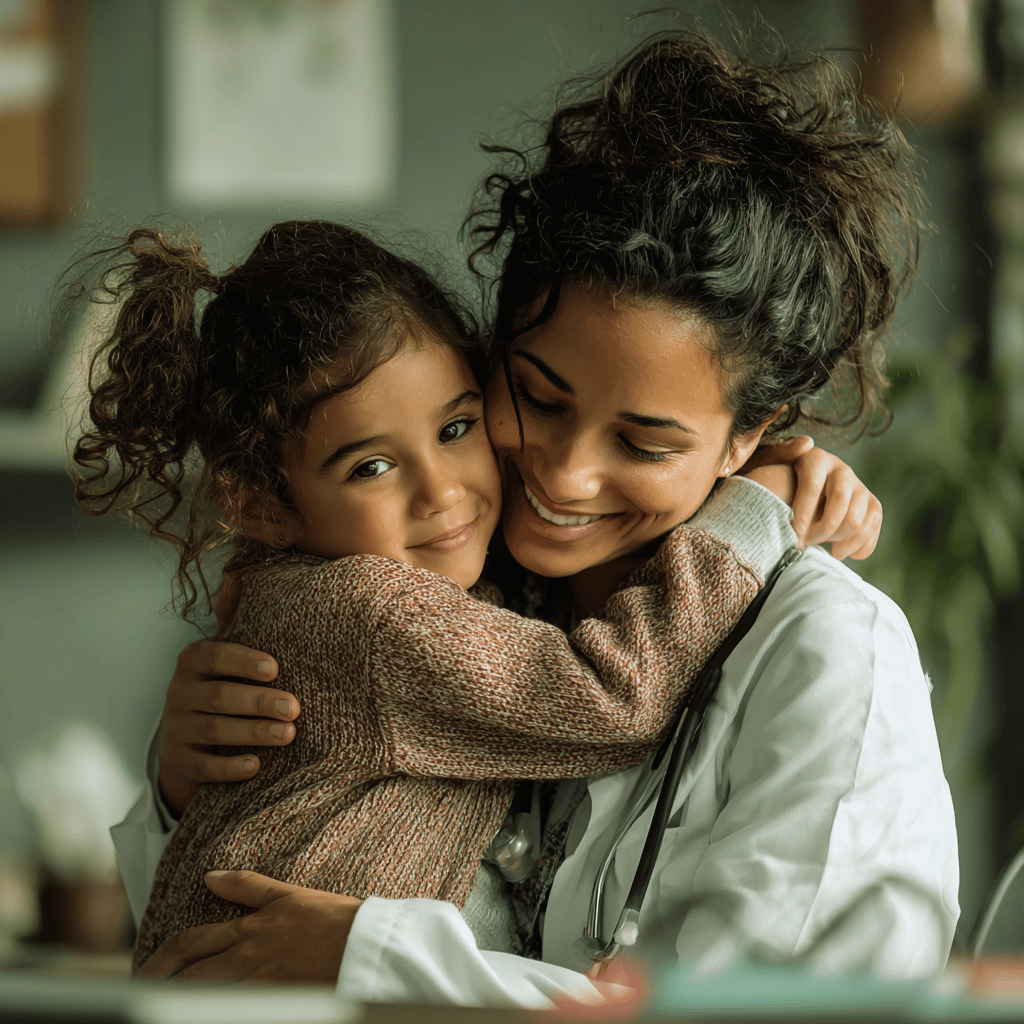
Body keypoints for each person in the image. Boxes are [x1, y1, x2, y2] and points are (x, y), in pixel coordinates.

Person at [119, 30, 957, 1004]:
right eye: (538, 396)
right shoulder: (465, 589)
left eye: (644, 442)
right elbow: (224, 938)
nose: (563, 473)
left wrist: (377, 951)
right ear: (490, 348)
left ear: (750, 437)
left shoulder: (827, 653)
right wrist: (184, 779)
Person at [70, 220, 827, 970]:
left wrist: (763, 458)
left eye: (457, 427)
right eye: (370, 467)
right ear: (262, 504)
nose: (443, 492)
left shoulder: (344, 574)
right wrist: (753, 506)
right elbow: (611, 699)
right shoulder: (371, 609)